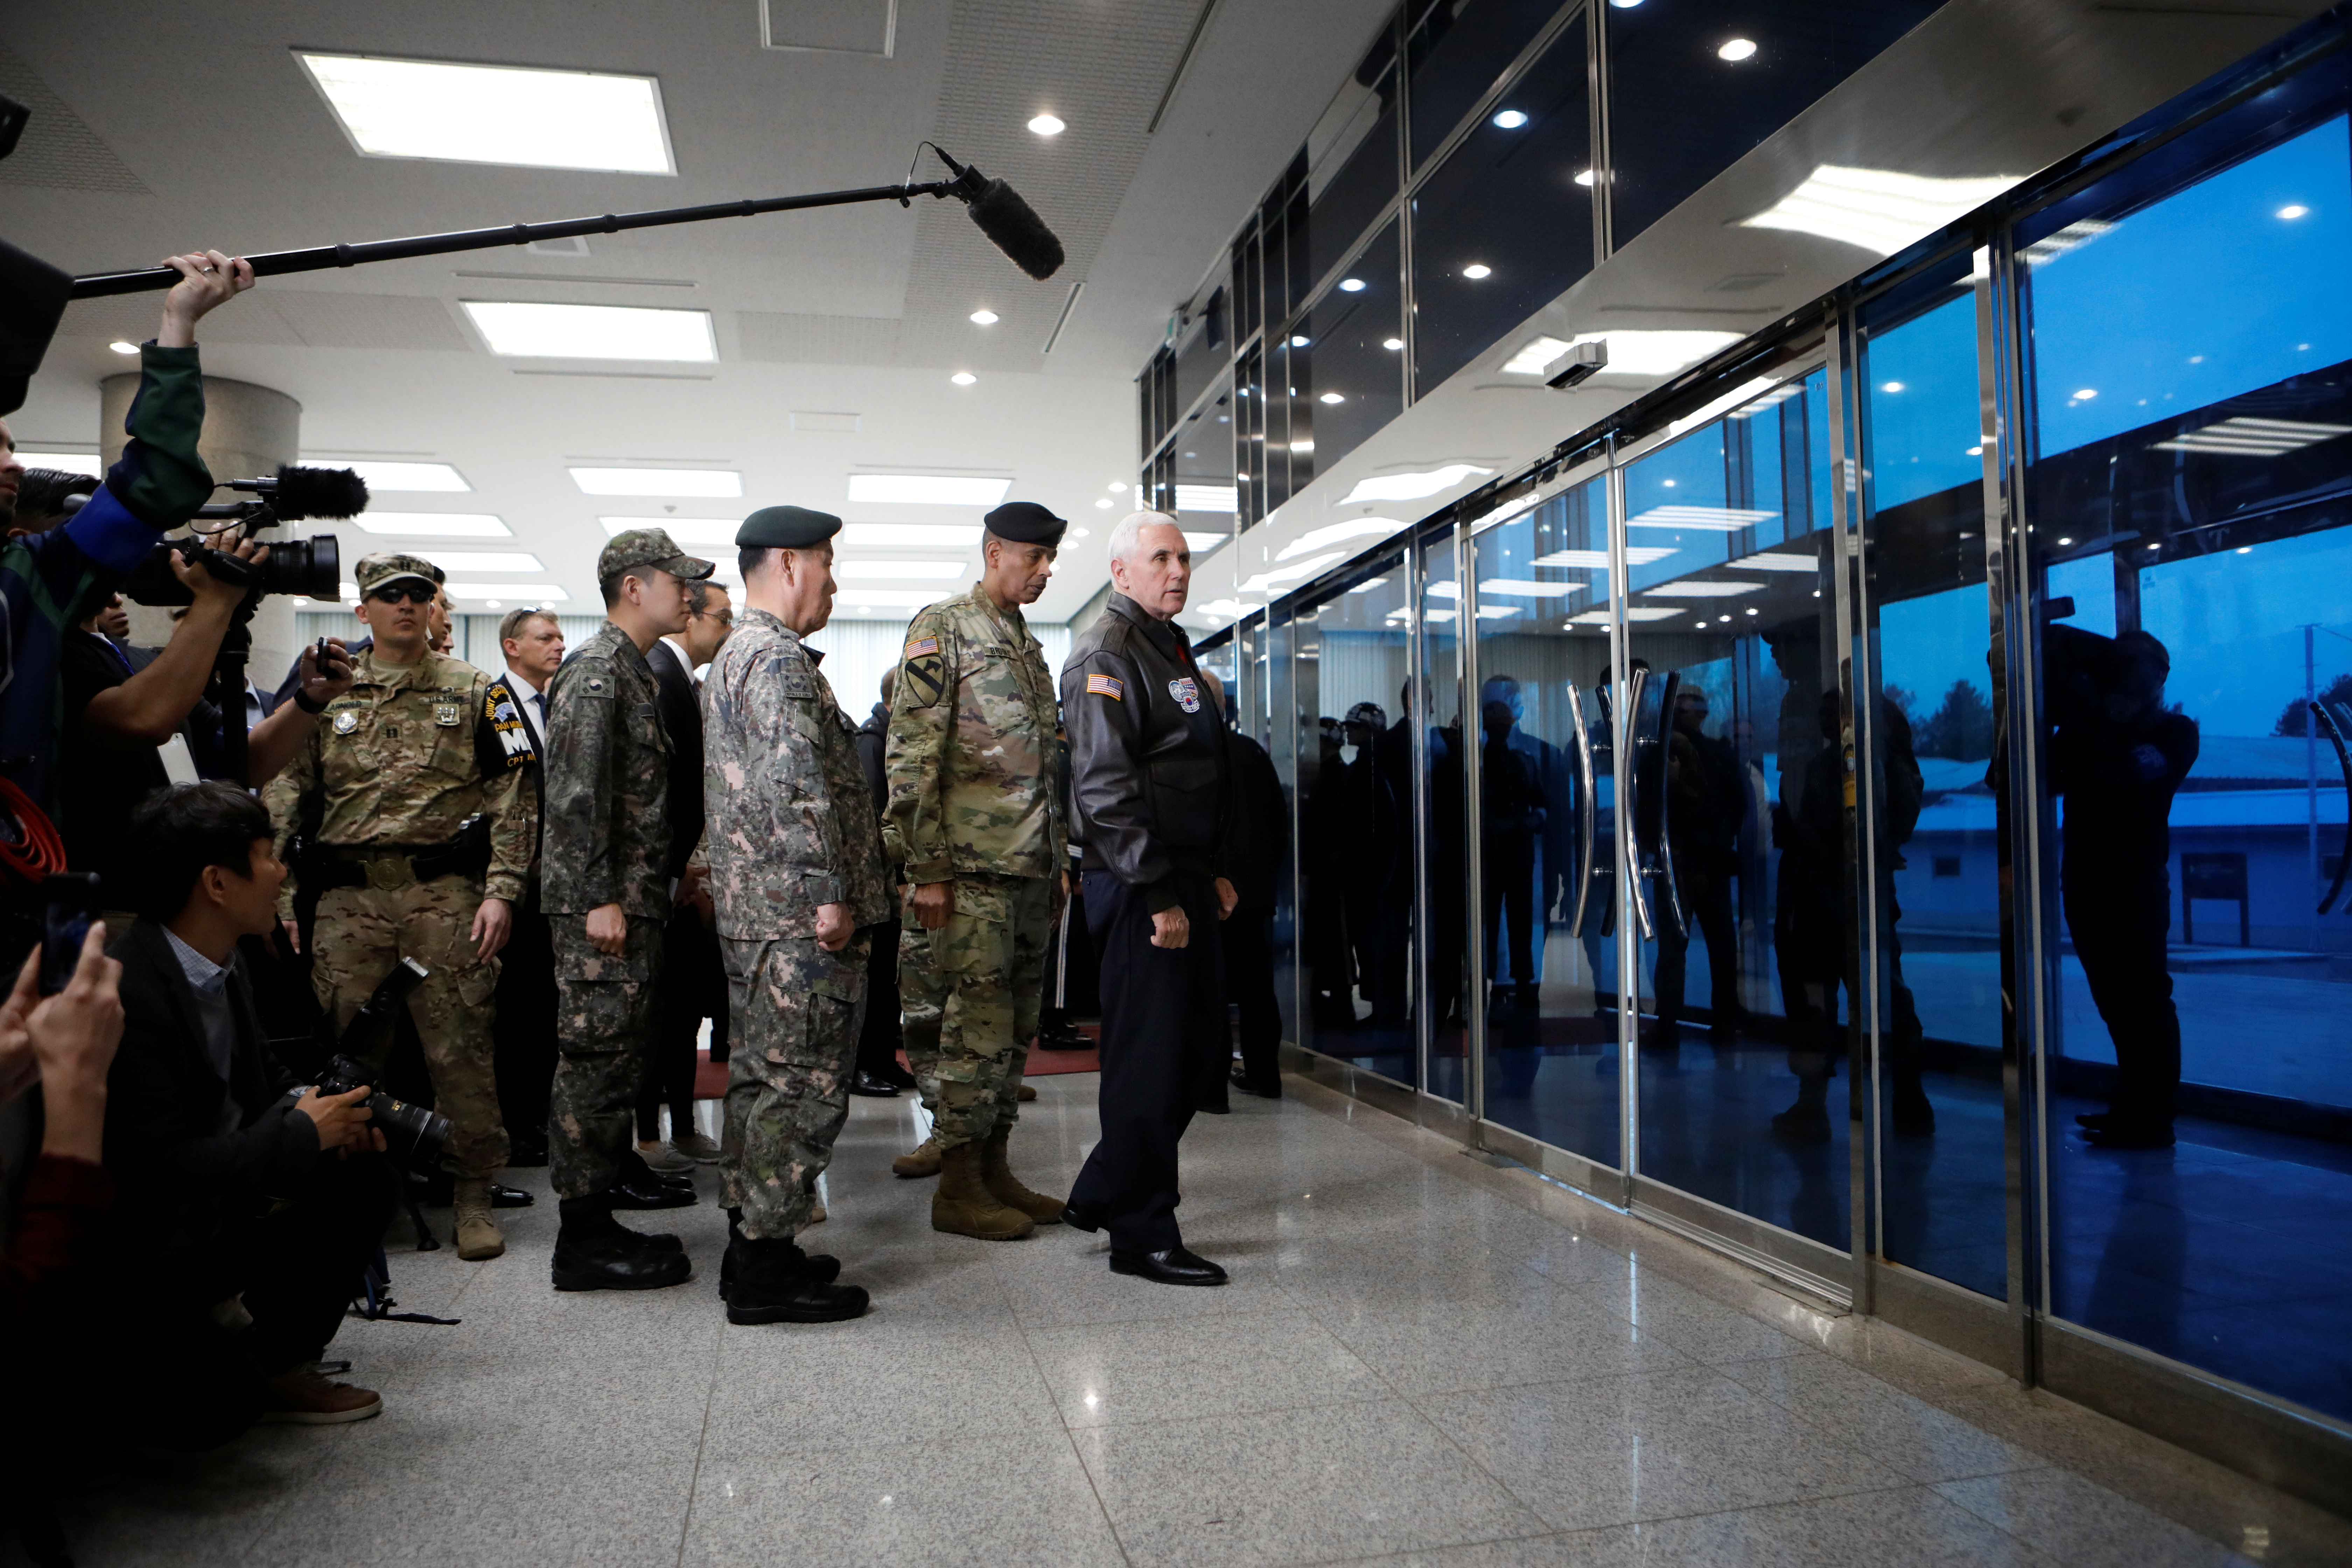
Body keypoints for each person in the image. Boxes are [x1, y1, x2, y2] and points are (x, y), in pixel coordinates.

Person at [261, 553, 535, 1261]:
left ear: (435, 606)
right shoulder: (323, 690)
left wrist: (503, 889)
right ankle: (358, 1195)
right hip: (348, 898)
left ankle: (473, 1192)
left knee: (460, 1047)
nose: (406, 606)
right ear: (364, 611)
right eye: (390, 597)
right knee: (348, 1054)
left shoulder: (482, 690)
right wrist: (281, 897)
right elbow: (285, 791)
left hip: (444, 893)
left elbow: (517, 795)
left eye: (419, 595)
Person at [102, 783, 396, 1435]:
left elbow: (268, 1079)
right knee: (215, 1417)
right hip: (156, 1247)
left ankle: (278, 1360)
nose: (281, 870)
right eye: (266, 855)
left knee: (360, 1169)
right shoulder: (129, 991)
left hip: (222, 1210)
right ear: (217, 883)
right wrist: (298, 1133)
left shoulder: (222, 964)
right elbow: (161, 1169)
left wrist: (330, 1115)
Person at [703, 505, 883, 1323]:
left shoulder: (736, 654)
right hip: (797, 916)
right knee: (802, 1090)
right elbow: (792, 782)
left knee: (762, 1083)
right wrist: (827, 895)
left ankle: (759, 1246)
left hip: (758, 913)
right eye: (826, 564)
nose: (834, 582)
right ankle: (764, 1270)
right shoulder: (772, 659)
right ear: (786, 563)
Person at [0, 249, 253, 813]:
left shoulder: (29, 574)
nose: (14, 464)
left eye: (12, 447)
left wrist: (179, 323)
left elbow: (156, 482)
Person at [882, 500, 1070, 1239]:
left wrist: (1055, 863)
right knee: (971, 1033)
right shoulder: (944, 627)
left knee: (1014, 1031)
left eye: (1051, 559)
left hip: (1025, 874)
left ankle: (995, 1169)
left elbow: (1043, 768)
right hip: (966, 876)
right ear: (995, 550)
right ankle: (958, 1186)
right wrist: (926, 866)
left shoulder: (1024, 642)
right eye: (1034, 557)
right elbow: (911, 755)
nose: (1045, 570)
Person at [1058, 511, 1236, 1287]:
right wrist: (1162, 889)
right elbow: (1104, 787)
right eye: (1159, 557)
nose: (1177, 569)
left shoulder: (1169, 647)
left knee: (1198, 1055)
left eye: (1185, 557)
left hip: (1180, 873)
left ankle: (1104, 1185)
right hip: (1138, 883)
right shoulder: (1108, 652)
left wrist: (1206, 871)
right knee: (1150, 1060)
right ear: (1121, 571)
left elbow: (1186, 770)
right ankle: (1140, 1231)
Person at [540, 529, 713, 1290]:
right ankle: (581, 1236)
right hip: (601, 911)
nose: (691, 593)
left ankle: (600, 1203)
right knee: (595, 1065)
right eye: (679, 580)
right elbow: (574, 797)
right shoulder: (598, 671)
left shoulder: (633, 672)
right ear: (635, 587)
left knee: (619, 1059)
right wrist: (600, 898)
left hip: (633, 902)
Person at [62, 544, 351, 919]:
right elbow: (142, 721)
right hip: (107, 898)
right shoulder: (55, 653)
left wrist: (310, 698)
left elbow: (247, 758)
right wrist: (215, 601)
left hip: (179, 895)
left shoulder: (137, 659)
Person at [2048, 625, 2198, 1149]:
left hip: (2136, 887)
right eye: (2119, 661)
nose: (2123, 671)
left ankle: (2153, 1115)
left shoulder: (2176, 732)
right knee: (2115, 1000)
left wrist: (2085, 721)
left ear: (2161, 674)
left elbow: (2132, 772)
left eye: (2136, 662)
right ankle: (2134, 1106)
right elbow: (2027, 779)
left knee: (2146, 1000)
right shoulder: (2088, 729)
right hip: (2086, 882)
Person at [640, 578, 733, 1169]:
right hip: (665, 883)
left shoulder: (686, 680)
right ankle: (648, 1137)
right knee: (656, 1018)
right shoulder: (659, 675)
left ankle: (681, 1124)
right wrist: (675, 877)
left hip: (687, 879)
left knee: (683, 1015)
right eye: (722, 619)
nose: (728, 631)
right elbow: (661, 794)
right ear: (688, 619)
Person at [488, 607, 561, 1165]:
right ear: (513, 647)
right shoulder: (496, 704)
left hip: (553, 881)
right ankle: (518, 1125)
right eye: (545, 637)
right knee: (517, 1011)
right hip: (516, 879)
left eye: (560, 636)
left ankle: (541, 1116)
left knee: (545, 1008)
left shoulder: (557, 703)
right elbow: (515, 793)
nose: (558, 645)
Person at [1207, 670, 1286, 1101]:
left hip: (1209, 893)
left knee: (1211, 989)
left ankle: (1212, 1087)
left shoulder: (1192, 753)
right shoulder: (1253, 752)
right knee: (1258, 990)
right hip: (1255, 894)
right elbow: (1279, 824)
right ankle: (1264, 1075)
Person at [853, 666, 916, 1098]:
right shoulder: (873, 740)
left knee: (892, 979)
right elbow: (875, 817)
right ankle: (864, 1065)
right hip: (880, 881)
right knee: (874, 979)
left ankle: (884, 1060)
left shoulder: (897, 738)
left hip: (900, 878)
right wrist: (893, 877)